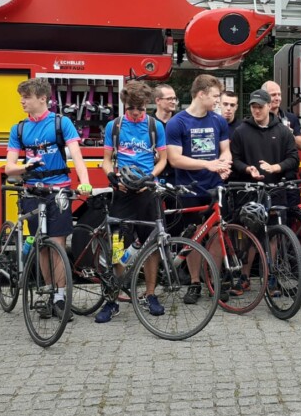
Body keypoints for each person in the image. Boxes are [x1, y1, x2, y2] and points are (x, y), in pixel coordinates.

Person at [5, 77, 93, 321]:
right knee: (42, 245)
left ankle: (60, 296)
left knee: (57, 243)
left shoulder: (60, 123)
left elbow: (77, 155)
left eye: (27, 97)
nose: (22, 101)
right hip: (33, 192)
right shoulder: (19, 128)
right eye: (21, 97)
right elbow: (8, 167)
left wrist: (84, 180)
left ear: (42, 99)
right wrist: (25, 166)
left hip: (59, 191)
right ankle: (46, 290)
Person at [95, 81, 168, 323]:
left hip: (146, 193)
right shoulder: (113, 126)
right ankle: (112, 299)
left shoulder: (154, 125)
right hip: (123, 193)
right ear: (125, 105)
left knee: (151, 245)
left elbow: (163, 159)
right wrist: (112, 177)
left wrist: (151, 177)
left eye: (140, 108)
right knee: (118, 247)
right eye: (131, 108)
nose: (136, 113)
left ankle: (149, 294)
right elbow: (106, 159)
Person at [166, 74, 232, 304]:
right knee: (194, 237)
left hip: (215, 188)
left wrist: (224, 164)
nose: (217, 101)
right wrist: (208, 164)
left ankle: (213, 279)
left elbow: (226, 150)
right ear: (201, 94)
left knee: (215, 235)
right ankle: (194, 282)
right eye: (215, 96)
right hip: (189, 190)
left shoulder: (219, 121)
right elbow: (174, 159)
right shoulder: (178, 122)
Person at [230, 88, 300, 290]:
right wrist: (247, 168)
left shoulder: (283, 131)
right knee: (249, 235)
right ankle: (244, 277)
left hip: (276, 190)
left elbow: (293, 158)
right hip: (250, 190)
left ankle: (271, 276)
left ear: (270, 106)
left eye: (260, 107)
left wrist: (277, 167)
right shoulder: (241, 131)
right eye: (253, 107)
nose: (256, 111)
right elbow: (234, 159)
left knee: (274, 236)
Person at [262, 80, 301, 150]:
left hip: (285, 160)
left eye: (279, 94)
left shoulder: (291, 118)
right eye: (273, 95)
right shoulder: (259, 119)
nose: (277, 98)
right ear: (263, 96)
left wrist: (288, 133)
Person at [153, 83, 178, 183]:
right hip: (155, 175)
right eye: (169, 99)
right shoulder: (148, 124)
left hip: (177, 176)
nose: (173, 102)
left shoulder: (181, 121)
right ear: (158, 100)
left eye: (174, 98)